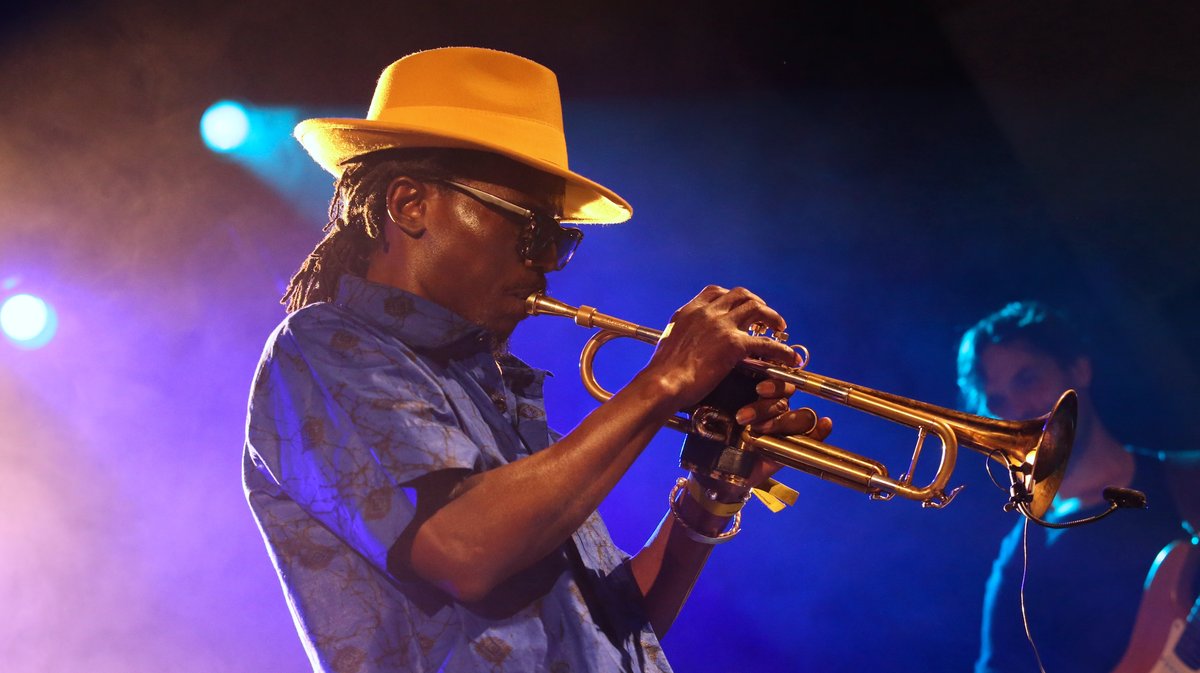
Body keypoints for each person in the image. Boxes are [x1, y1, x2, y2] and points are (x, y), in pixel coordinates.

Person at [242, 46, 829, 673]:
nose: (547, 263)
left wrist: (713, 490)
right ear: (410, 204)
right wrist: (667, 380)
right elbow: (463, 550)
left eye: (560, 240)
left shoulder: (495, 392)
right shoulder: (326, 345)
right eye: (533, 231)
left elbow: (616, 628)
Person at [958, 300, 1197, 673]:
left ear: (1079, 369)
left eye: (1027, 379)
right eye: (997, 401)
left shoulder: (1192, 479)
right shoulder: (1020, 565)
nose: (1017, 408)